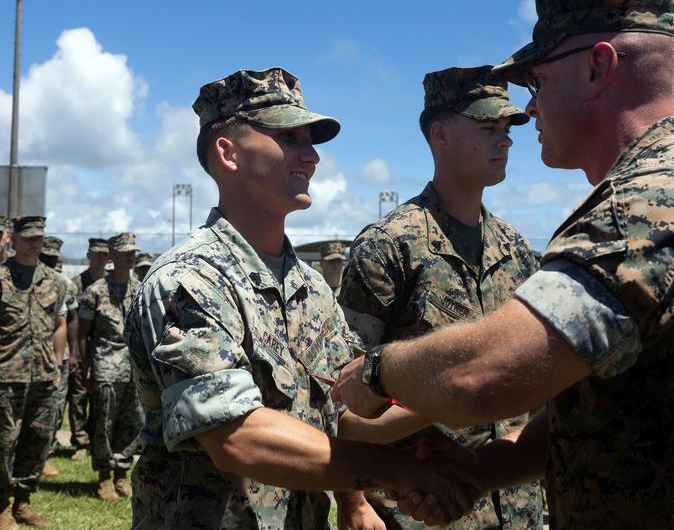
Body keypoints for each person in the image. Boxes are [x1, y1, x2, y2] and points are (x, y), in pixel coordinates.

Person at [333, 0, 674, 529]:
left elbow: (486, 375)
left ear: (597, 67)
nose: (529, 110)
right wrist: (481, 469)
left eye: (536, 82)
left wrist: (374, 373)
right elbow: (599, 405)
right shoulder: (673, 189)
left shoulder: (661, 200)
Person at [123, 67, 481, 529]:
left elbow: (344, 418)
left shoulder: (311, 288)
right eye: (288, 137)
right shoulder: (189, 280)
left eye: (310, 141)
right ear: (227, 152)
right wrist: (403, 471)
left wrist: (454, 395)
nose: (310, 156)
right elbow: (237, 437)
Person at [337, 65, 542, 529]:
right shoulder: (389, 247)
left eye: (508, 129)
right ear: (441, 135)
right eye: (489, 127)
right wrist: (353, 501)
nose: (506, 140)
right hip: (422, 507)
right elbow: (344, 401)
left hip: (515, 501)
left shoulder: (517, 250)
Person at [0, 216, 68, 529]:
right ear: (13, 240)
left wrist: (57, 364)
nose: (34, 243)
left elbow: (59, 324)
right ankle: (2, 506)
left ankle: (22, 502)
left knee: (38, 440)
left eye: (38, 237)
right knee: (5, 442)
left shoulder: (55, 282)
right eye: (28, 237)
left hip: (43, 375)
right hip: (6, 375)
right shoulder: (2, 277)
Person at [78, 232, 144, 500]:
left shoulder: (140, 288)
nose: (131, 256)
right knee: (103, 423)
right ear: (112, 256)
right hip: (105, 367)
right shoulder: (95, 291)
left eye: (133, 252)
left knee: (133, 423)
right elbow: (83, 335)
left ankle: (121, 474)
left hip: (135, 370)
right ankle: (104, 476)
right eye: (125, 252)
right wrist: (85, 372)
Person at [36, 236, 79, 479]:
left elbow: (70, 319)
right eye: (47, 257)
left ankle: (46, 455)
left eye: (54, 258)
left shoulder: (63, 284)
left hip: (55, 359)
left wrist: (71, 354)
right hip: (23, 360)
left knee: (52, 411)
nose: (50, 262)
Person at [68, 237, 110, 459]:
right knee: (79, 394)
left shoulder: (111, 283)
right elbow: (70, 319)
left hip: (104, 349)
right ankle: (81, 442)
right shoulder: (77, 283)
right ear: (88, 255)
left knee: (101, 397)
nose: (100, 258)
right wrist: (74, 351)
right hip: (82, 345)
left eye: (104, 254)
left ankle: (97, 439)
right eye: (97, 254)